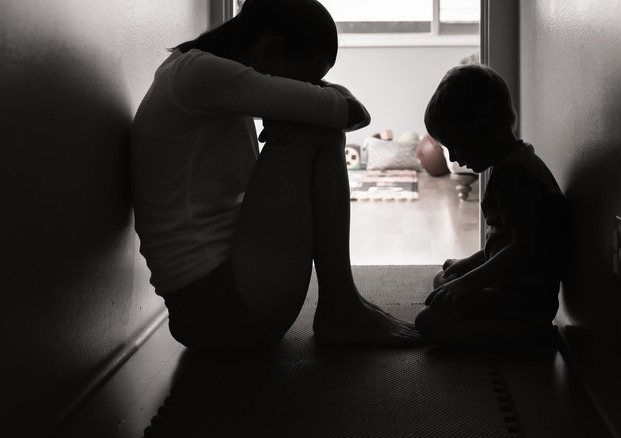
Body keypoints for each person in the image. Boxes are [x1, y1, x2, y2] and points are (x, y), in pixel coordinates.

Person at [130, 0, 421, 354]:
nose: (306, 89)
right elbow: (352, 112)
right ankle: (341, 307)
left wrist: (288, 101)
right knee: (319, 130)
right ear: (271, 48)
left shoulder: (195, 74)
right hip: (219, 306)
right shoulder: (201, 73)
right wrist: (308, 102)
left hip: (215, 305)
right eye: (305, 81)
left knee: (315, 122)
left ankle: (342, 305)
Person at [414, 64, 566, 348]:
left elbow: (525, 249)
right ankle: (516, 326)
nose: (454, 159)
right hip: (515, 284)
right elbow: (503, 241)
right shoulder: (517, 162)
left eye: (454, 146)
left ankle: (528, 334)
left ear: (483, 130)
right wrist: (468, 266)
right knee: (443, 279)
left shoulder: (515, 176)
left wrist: (467, 283)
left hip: (523, 297)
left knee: (429, 324)